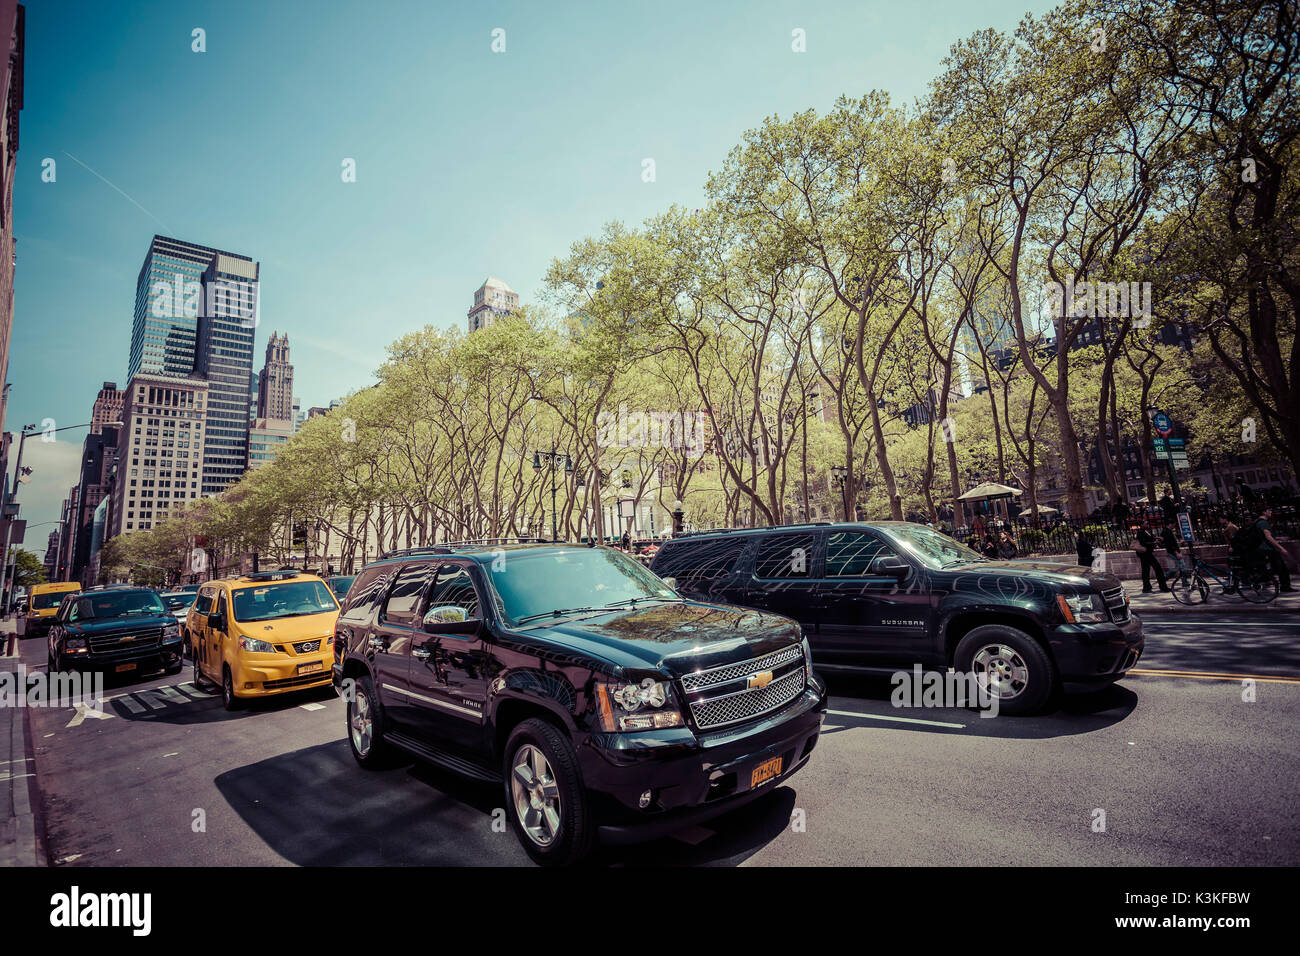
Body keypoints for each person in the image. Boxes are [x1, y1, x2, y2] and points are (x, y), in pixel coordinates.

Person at [1255, 507, 1295, 592]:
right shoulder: (1263, 523)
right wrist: (1281, 548)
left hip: (1261, 549)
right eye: (1269, 510)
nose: (1271, 511)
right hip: (1268, 549)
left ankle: (1260, 578)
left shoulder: (1256, 522)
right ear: (1264, 512)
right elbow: (1268, 537)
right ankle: (1284, 587)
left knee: (1276, 568)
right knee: (1282, 569)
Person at [1134, 525, 1168, 592]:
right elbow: (1143, 543)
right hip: (1145, 554)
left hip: (1147, 553)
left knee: (1146, 570)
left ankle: (1147, 588)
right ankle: (1162, 587)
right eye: (1146, 523)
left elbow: (1150, 539)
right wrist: (1153, 543)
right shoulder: (1140, 532)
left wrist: (1156, 540)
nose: (1147, 524)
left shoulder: (1146, 531)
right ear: (1142, 524)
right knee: (1158, 569)